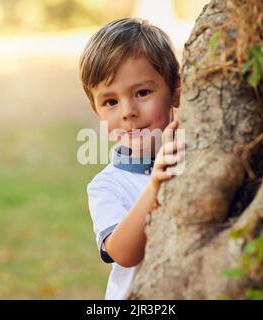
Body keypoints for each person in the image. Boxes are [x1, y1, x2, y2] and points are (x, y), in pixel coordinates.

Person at [79, 17, 185, 300]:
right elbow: (123, 254)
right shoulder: (106, 186)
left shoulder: (200, 158)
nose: (127, 111)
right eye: (110, 102)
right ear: (96, 110)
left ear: (176, 90)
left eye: (142, 93)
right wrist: (154, 186)